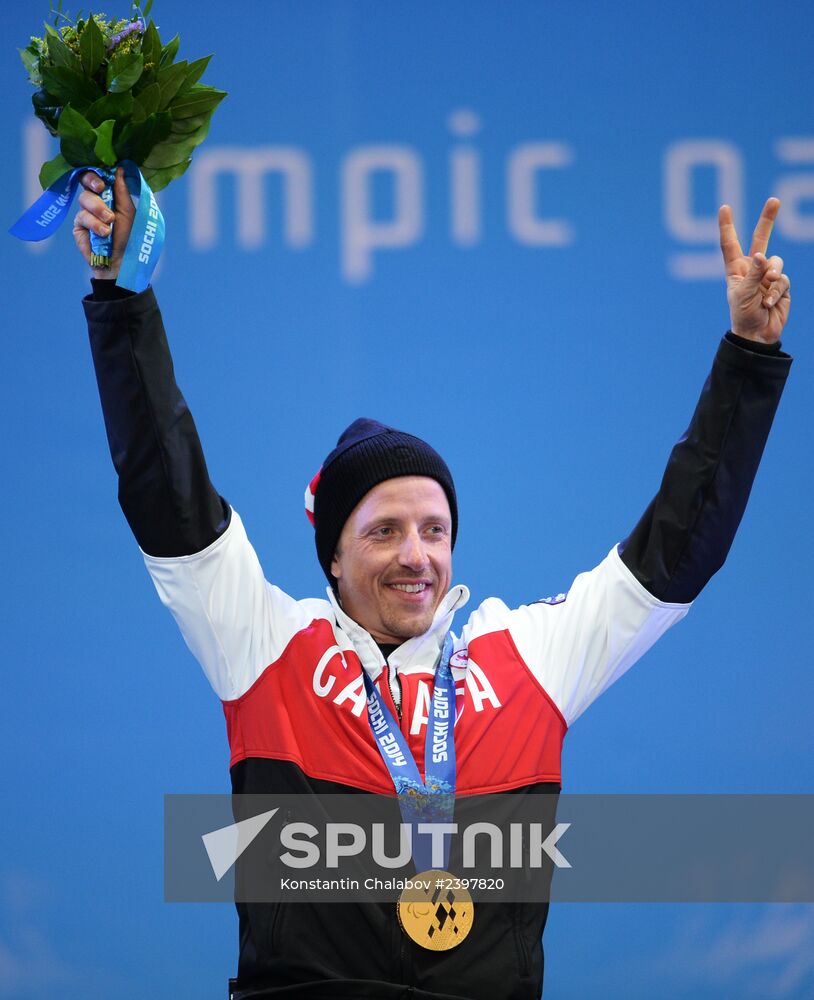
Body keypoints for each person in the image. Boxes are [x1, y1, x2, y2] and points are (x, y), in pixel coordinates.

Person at [73, 169, 792, 1000]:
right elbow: (169, 492)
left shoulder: (525, 657)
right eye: (383, 531)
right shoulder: (266, 643)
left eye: (435, 530)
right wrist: (122, 301)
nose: (417, 555)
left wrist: (748, 360)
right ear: (334, 557)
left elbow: (677, 552)